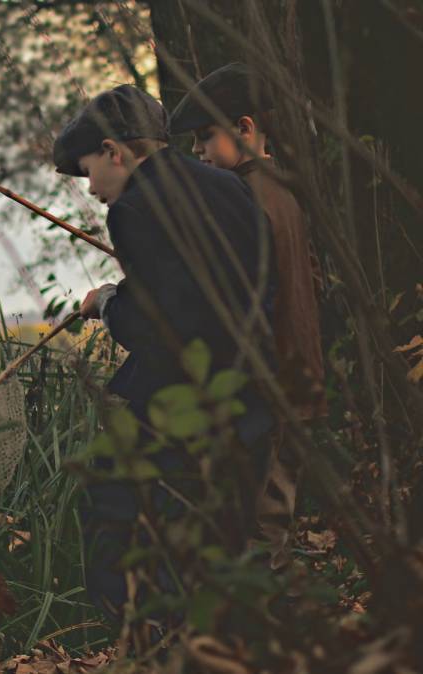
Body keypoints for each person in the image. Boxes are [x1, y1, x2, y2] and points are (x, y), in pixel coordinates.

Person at [52, 84, 278, 625]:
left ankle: (139, 640)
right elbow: (218, 286)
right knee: (221, 543)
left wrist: (109, 305)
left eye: (88, 173)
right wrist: (120, 295)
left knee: (110, 505)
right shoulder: (227, 185)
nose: (93, 190)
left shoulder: (131, 209)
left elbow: (161, 326)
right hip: (254, 399)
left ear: (114, 152)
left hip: (188, 409)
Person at [170, 63, 326, 569]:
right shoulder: (284, 190)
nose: (197, 152)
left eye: (203, 137)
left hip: (269, 380)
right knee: (270, 510)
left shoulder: (241, 197)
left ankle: (265, 627)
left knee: (257, 518)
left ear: (243, 128)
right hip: (295, 375)